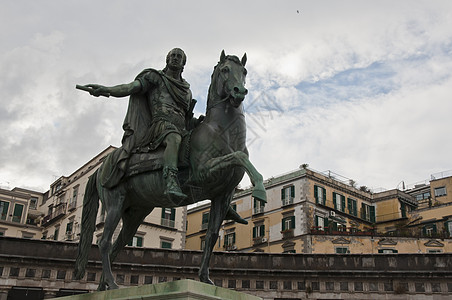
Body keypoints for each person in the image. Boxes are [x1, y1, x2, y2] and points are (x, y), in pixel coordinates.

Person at [84, 48, 197, 202]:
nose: (175, 58)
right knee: (173, 138)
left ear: (184, 63)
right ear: (167, 59)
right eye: (173, 56)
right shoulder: (155, 77)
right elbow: (130, 87)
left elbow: (186, 116)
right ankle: (170, 180)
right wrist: (107, 90)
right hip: (161, 125)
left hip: (181, 127)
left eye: (179, 57)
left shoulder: (187, 90)